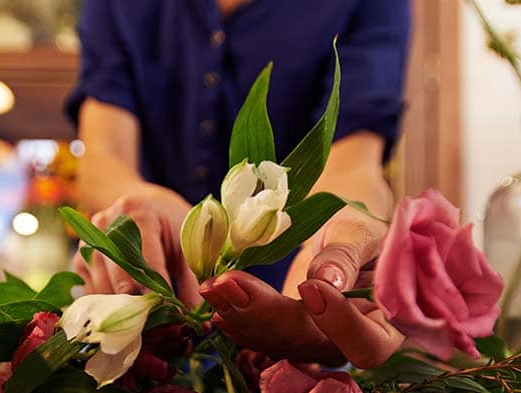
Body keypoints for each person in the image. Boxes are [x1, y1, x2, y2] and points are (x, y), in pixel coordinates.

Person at [65, 0, 410, 367]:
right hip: (151, 309)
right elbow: (102, 156)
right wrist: (137, 205)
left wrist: (338, 239)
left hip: (290, 307)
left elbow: (354, 161)